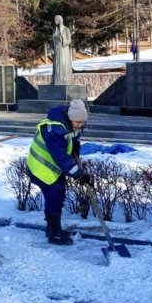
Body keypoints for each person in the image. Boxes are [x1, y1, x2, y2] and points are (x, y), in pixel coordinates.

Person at [26, 99, 92, 245]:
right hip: (42, 168)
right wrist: (79, 174)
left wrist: (75, 146)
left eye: (82, 122)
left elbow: (73, 137)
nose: (80, 126)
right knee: (54, 197)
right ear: (70, 118)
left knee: (59, 195)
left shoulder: (70, 124)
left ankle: (52, 229)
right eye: (78, 122)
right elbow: (61, 158)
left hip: (53, 168)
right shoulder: (55, 130)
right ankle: (54, 234)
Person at [51, 15, 73, 86]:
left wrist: (63, 38)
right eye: (54, 20)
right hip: (56, 50)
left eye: (56, 20)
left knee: (63, 64)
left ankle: (64, 80)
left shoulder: (66, 29)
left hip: (63, 49)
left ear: (60, 20)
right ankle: (56, 80)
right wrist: (51, 49)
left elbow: (69, 40)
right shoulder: (54, 30)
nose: (55, 21)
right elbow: (52, 41)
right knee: (56, 66)